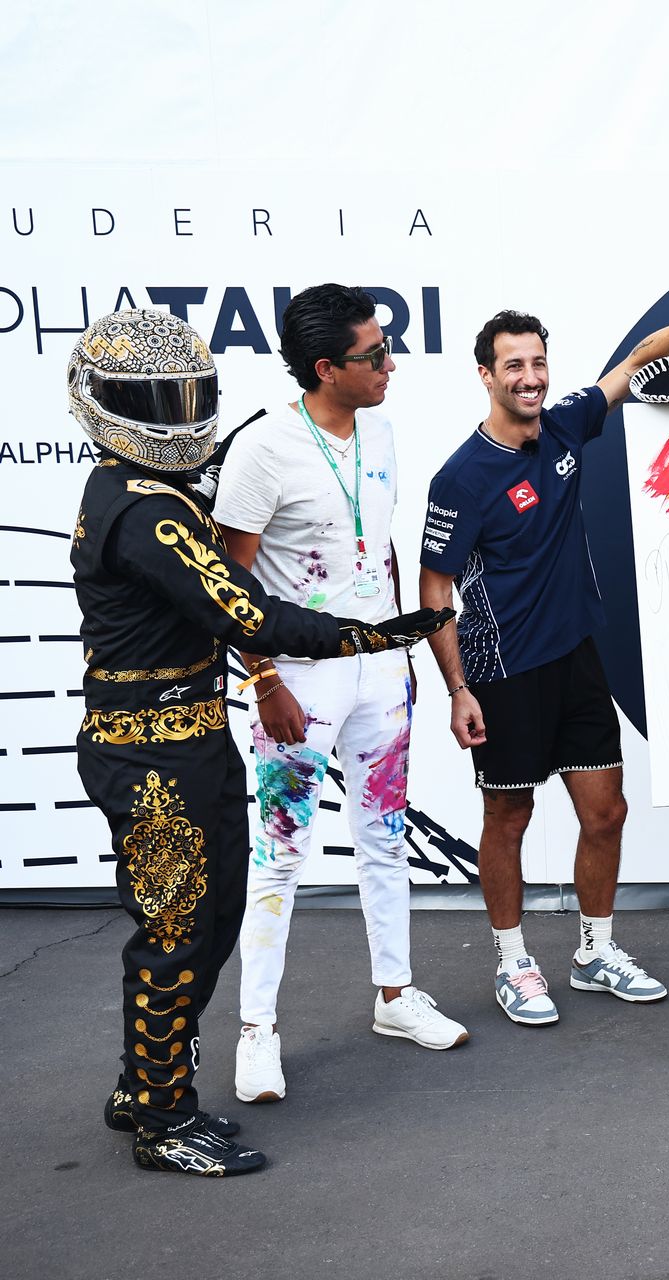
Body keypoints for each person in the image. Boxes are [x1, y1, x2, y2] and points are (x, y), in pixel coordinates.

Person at [69, 308, 452, 1176]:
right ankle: (165, 1120)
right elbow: (250, 612)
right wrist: (366, 637)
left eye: (187, 395)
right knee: (177, 932)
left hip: (188, 740)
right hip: (151, 755)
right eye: (159, 401)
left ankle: (144, 1086)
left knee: (207, 921)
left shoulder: (144, 491)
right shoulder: (145, 513)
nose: (180, 416)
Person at [419, 307, 669, 1026]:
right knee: (508, 816)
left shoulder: (566, 426)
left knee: (606, 813)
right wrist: (457, 690)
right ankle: (513, 962)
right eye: (513, 365)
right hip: (504, 672)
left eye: (538, 362)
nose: (530, 377)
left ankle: (594, 952)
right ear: (486, 375)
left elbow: (634, 365)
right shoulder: (460, 478)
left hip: (576, 659)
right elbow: (434, 592)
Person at [213, 284, 469, 1107]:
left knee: (384, 837)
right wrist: (263, 678)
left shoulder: (381, 430)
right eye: (373, 354)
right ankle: (256, 1030)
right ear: (326, 369)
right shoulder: (263, 449)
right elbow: (230, 582)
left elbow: (380, 549)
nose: (390, 364)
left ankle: (395, 995)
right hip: (298, 678)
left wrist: (402, 656)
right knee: (281, 852)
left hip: (378, 672)